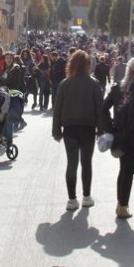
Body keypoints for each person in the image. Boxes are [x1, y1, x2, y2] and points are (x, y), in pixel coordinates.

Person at [102, 56, 134, 219]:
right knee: (128, 170)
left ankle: (121, 203)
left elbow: (103, 108)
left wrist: (110, 127)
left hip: (119, 132)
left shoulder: (118, 87)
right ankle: (123, 206)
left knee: (124, 168)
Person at [52, 50, 103, 211]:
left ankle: (72, 199)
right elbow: (100, 109)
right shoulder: (94, 84)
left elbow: (57, 109)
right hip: (88, 128)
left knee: (71, 163)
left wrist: (56, 131)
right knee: (86, 163)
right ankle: (86, 197)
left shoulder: (65, 84)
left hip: (70, 129)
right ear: (88, 65)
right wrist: (101, 130)